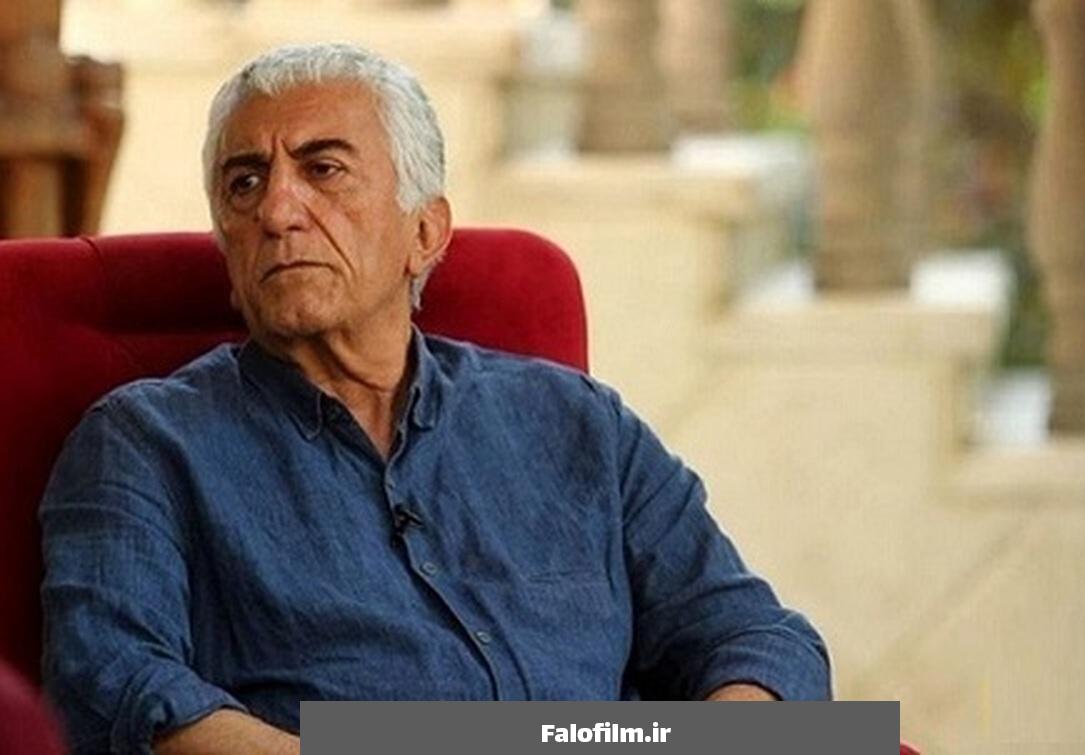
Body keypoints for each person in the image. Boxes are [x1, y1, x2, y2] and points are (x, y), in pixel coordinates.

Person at [40, 43, 830, 755]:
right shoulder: (146, 441)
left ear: (424, 233)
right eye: (244, 183)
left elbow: (759, 637)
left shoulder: (577, 422)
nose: (276, 211)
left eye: (323, 169)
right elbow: (113, 683)